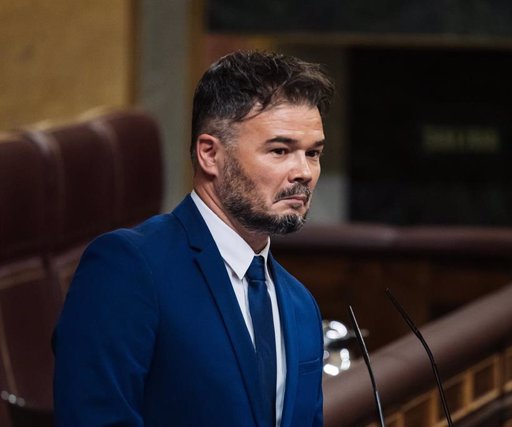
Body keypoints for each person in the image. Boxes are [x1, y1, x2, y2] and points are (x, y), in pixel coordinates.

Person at [53, 51, 335, 427]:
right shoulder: (130, 267)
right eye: (280, 150)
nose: (303, 172)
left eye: (312, 153)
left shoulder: (300, 305)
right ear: (210, 154)